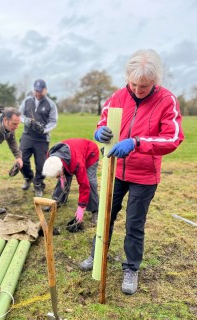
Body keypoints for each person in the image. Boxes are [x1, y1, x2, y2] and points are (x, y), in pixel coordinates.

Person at [79, 49, 184, 295]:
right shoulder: (117, 97)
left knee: (134, 224)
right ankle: (97, 256)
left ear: (155, 82)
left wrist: (137, 143)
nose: (137, 90)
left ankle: (131, 268)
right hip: (115, 171)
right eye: (133, 84)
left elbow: (173, 138)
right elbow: (103, 122)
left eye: (144, 87)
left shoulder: (166, 100)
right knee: (106, 216)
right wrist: (100, 132)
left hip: (145, 175)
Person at [42, 138, 99, 225]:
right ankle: (58, 200)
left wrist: (81, 208)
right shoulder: (51, 155)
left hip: (90, 153)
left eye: (57, 175)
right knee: (64, 177)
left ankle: (95, 210)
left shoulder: (77, 163)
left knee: (90, 182)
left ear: (61, 167)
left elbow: (84, 186)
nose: (56, 177)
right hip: (72, 153)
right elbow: (60, 172)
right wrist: (61, 177)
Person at [19, 79, 58, 197]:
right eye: (36, 90)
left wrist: (44, 129)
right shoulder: (27, 101)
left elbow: (53, 121)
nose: (38, 93)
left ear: (45, 90)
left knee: (41, 165)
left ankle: (38, 184)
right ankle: (28, 177)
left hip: (42, 139)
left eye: (40, 91)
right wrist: (27, 121)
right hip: (27, 136)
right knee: (21, 161)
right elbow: (19, 115)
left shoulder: (50, 104)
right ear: (33, 89)